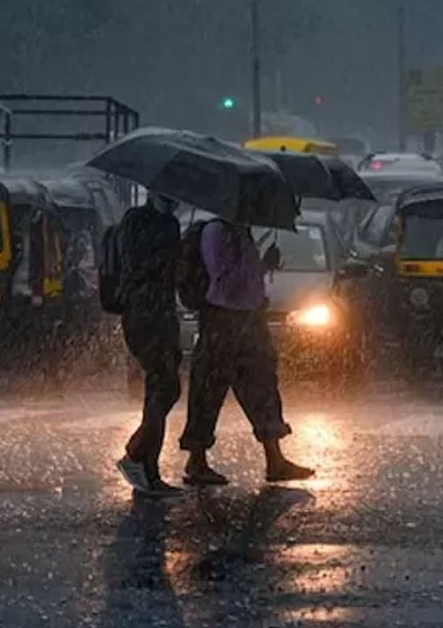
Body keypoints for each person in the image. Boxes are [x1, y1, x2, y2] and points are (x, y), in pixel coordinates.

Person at [180, 219, 314, 486]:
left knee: (262, 386)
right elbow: (223, 280)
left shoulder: (242, 232)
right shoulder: (216, 233)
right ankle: (196, 460)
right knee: (209, 390)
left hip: (249, 319)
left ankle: (274, 459)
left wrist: (265, 266)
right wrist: (258, 268)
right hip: (224, 319)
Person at [114, 193, 183, 497]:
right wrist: (170, 253)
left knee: (166, 388)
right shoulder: (138, 221)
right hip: (143, 312)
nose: (173, 202)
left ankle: (141, 457)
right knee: (162, 386)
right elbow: (138, 265)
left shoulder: (168, 224)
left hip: (161, 312)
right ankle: (141, 462)